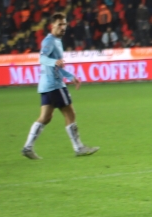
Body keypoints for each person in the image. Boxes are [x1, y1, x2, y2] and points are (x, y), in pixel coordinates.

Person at [21, 14, 100, 159]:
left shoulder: (57, 41)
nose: (63, 27)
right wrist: (54, 62)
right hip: (55, 85)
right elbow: (42, 58)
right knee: (70, 114)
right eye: (59, 25)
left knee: (45, 117)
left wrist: (71, 76)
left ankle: (28, 147)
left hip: (46, 85)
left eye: (64, 24)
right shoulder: (49, 41)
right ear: (52, 25)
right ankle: (78, 147)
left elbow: (56, 64)